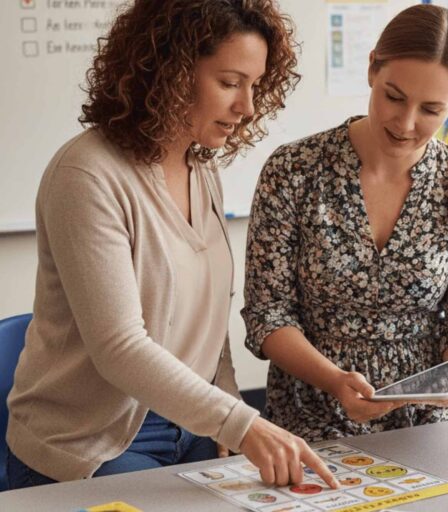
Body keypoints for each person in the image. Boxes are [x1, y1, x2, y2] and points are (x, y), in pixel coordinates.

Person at [6, 0, 336, 490]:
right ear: (169, 71)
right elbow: (120, 347)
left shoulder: (201, 169)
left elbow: (206, 319)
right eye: (229, 83)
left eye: (254, 84)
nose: (247, 106)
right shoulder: (87, 175)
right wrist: (239, 424)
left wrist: (228, 403)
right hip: (91, 440)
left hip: (193, 423)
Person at [242, 4, 448, 441]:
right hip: (312, 415)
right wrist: (334, 381)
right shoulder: (294, 170)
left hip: (432, 424)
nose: (405, 123)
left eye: (431, 110)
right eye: (394, 97)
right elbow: (268, 314)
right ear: (371, 70)